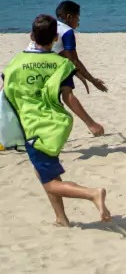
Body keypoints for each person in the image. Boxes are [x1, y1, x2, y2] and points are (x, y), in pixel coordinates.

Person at [3, 14, 110, 226]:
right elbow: (69, 96)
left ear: (31, 36)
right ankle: (61, 218)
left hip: (35, 128)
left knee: (50, 182)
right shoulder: (60, 64)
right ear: (55, 39)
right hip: (56, 126)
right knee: (44, 170)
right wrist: (90, 122)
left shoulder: (17, 62)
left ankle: (93, 194)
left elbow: (4, 91)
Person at [27, 1, 108, 94]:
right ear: (69, 17)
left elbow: (60, 54)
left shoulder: (49, 26)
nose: (79, 20)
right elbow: (74, 60)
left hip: (29, 63)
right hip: (44, 67)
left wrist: (77, 74)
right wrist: (93, 81)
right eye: (78, 16)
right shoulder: (67, 31)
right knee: (67, 93)